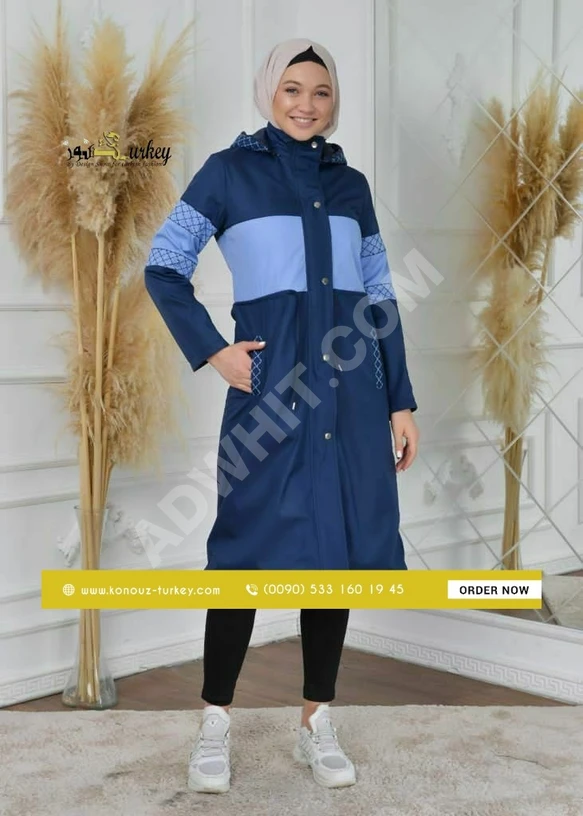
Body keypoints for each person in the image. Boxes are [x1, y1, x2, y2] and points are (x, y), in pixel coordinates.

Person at [144, 38, 419, 794]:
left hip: (353, 397)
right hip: (270, 397)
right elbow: (163, 264)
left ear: (334, 101)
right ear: (269, 91)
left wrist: (399, 398)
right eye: (292, 89)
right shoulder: (228, 172)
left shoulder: (351, 185)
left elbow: (379, 298)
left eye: (321, 92)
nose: (306, 104)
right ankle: (214, 721)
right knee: (240, 555)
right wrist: (213, 352)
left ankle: (314, 722)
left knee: (335, 558)